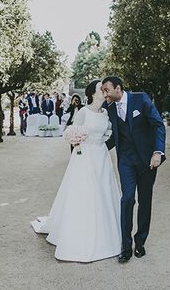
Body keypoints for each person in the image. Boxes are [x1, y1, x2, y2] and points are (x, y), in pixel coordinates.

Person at [31, 80, 121, 262]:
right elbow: (73, 134)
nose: (104, 91)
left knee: (104, 193)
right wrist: (79, 147)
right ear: (92, 93)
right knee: (86, 194)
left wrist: (102, 139)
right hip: (85, 157)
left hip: (102, 157)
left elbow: (109, 132)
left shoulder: (106, 112)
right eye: (100, 89)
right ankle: (83, 236)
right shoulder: (83, 112)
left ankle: (108, 234)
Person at [102, 76, 166, 263]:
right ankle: (125, 246)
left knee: (145, 201)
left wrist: (158, 152)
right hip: (126, 161)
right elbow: (115, 135)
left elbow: (158, 125)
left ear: (118, 88)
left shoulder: (141, 99)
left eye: (106, 89)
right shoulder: (109, 107)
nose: (105, 93)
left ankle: (140, 242)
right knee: (127, 199)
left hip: (148, 160)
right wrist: (96, 149)